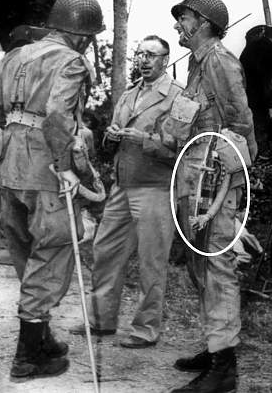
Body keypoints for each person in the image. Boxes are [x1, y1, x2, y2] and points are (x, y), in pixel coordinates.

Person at [0, 0, 105, 381]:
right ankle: (28, 357)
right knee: (51, 253)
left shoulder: (15, 55)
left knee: (26, 253)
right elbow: (56, 117)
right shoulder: (72, 62)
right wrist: (67, 169)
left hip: (9, 172)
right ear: (82, 36)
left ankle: (42, 336)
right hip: (47, 171)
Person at [167, 0, 257, 393]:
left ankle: (224, 369)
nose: (178, 26)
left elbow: (241, 124)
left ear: (202, 23)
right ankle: (214, 346)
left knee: (218, 269)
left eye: (183, 19)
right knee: (199, 267)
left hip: (216, 180)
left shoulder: (221, 61)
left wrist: (224, 182)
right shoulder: (196, 64)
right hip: (195, 176)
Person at [70, 35, 183, 348]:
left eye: (151, 55)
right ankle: (100, 320)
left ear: (165, 59)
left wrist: (144, 139)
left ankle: (145, 329)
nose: (144, 60)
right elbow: (112, 142)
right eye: (140, 54)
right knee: (106, 252)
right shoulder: (128, 93)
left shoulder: (177, 96)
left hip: (155, 189)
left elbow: (182, 149)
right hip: (122, 187)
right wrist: (112, 137)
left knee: (151, 261)